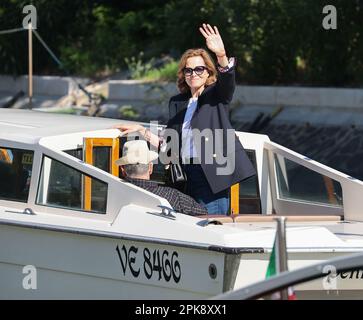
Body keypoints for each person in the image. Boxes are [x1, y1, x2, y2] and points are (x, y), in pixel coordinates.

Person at [113, 23, 256, 215]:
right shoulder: (178, 102)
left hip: (211, 174)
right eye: (188, 70)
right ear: (184, 75)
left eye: (199, 69)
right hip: (184, 174)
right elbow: (169, 146)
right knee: (187, 223)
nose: (193, 74)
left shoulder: (216, 96)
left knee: (211, 223)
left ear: (208, 72)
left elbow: (228, 82)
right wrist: (142, 131)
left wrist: (221, 55)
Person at [116, 140, 207, 216]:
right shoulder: (174, 196)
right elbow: (204, 214)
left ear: (123, 170)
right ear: (150, 168)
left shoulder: (113, 194)